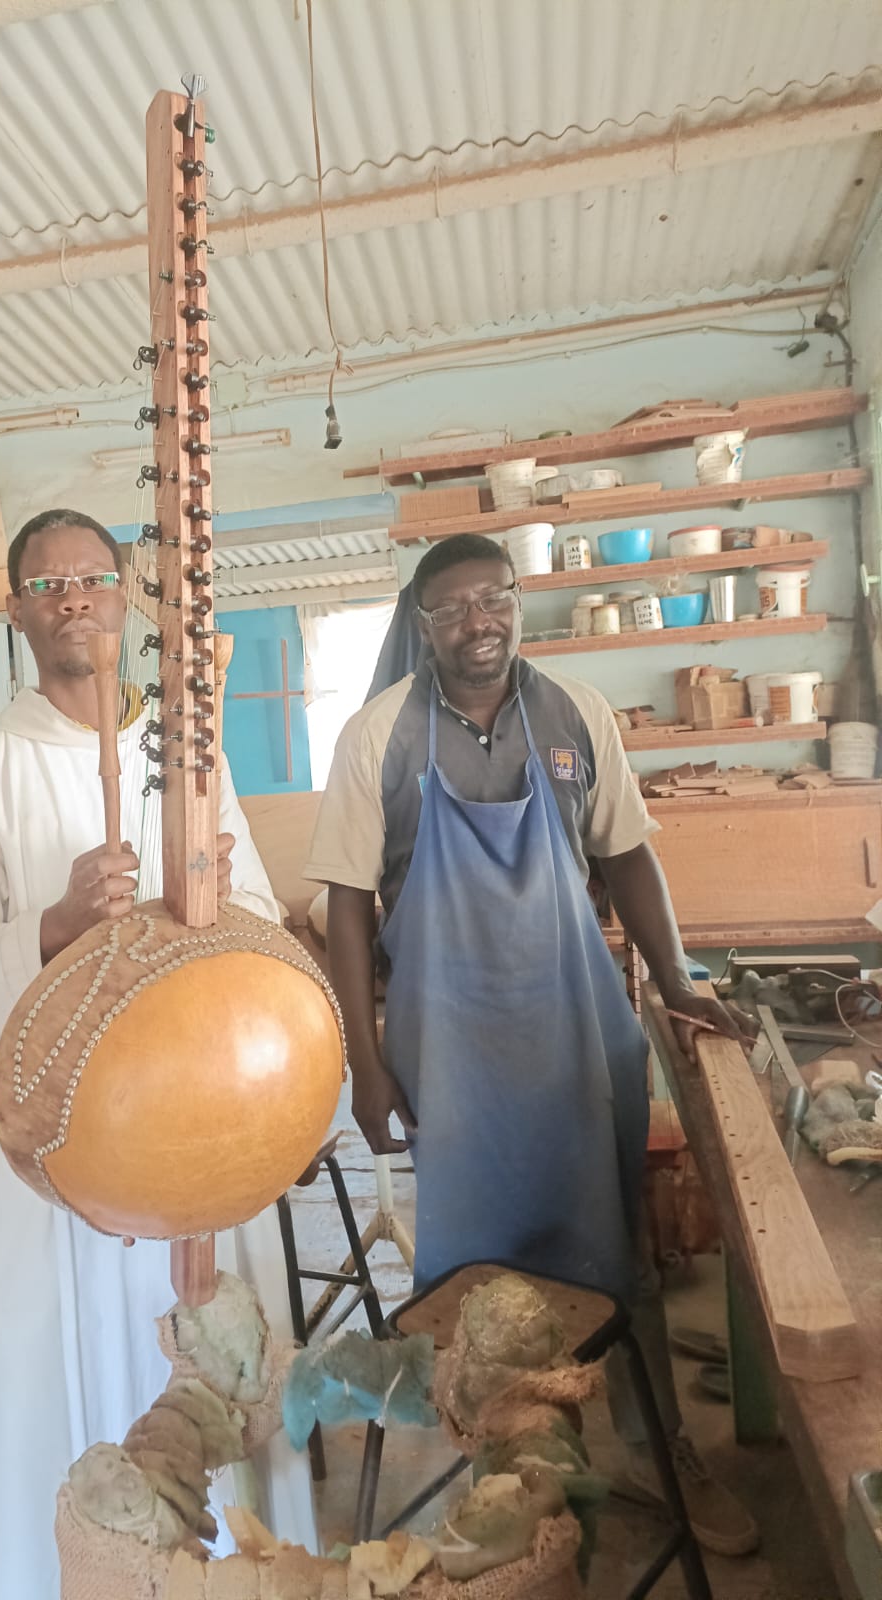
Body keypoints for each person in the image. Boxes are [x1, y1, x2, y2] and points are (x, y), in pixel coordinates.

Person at [305, 532, 759, 1557]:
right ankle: (517, 1483)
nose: (480, 621)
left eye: (495, 598)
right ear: (422, 626)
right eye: (454, 606)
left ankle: (658, 1451)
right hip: (450, 1058)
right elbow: (342, 903)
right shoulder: (380, 734)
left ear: (519, 603)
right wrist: (364, 1058)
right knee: (480, 1280)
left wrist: (679, 976)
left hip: (573, 1044)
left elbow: (628, 853)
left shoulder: (574, 716)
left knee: (615, 1257)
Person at [0, 509, 317, 1600]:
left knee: (212, 1387)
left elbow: (262, 917)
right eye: (45, 584)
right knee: (69, 1411)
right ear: (18, 611)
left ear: (126, 594)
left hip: (200, 1134)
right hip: (59, 1154)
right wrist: (53, 924)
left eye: (88, 577)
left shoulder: (191, 752)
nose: (70, 597)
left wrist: (206, 903)